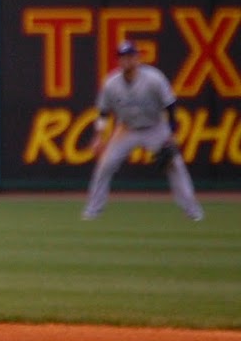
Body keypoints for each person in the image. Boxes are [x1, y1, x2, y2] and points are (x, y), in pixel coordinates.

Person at [82, 41, 202, 222]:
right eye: (123, 57)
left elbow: (170, 106)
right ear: (118, 61)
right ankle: (93, 210)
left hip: (155, 127)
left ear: (138, 58)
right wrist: (99, 136)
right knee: (105, 165)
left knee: (175, 165)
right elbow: (104, 112)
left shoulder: (154, 79)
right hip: (126, 129)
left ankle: (193, 211)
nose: (127, 60)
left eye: (130, 56)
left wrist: (171, 134)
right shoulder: (111, 83)